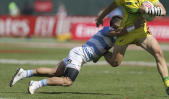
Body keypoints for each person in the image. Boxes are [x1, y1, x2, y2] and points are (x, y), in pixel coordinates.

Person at [95, 0, 169, 95]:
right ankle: (102, 52)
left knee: (158, 52)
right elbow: (110, 7)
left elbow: (163, 11)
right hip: (126, 32)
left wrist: (149, 11)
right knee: (115, 63)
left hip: (142, 32)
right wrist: (100, 17)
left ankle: (168, 85)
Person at [9, 16, 142, 95]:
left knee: (53, 72)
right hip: (79, 54)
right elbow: (119, 33)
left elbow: (121, 40)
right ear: (114, 25)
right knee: (68, 81)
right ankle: (36, 84)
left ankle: (24, 73)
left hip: (78, 53)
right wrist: (133, 27)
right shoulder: (107, 30)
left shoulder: (116, 37)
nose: (121, 28)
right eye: (120, 26)